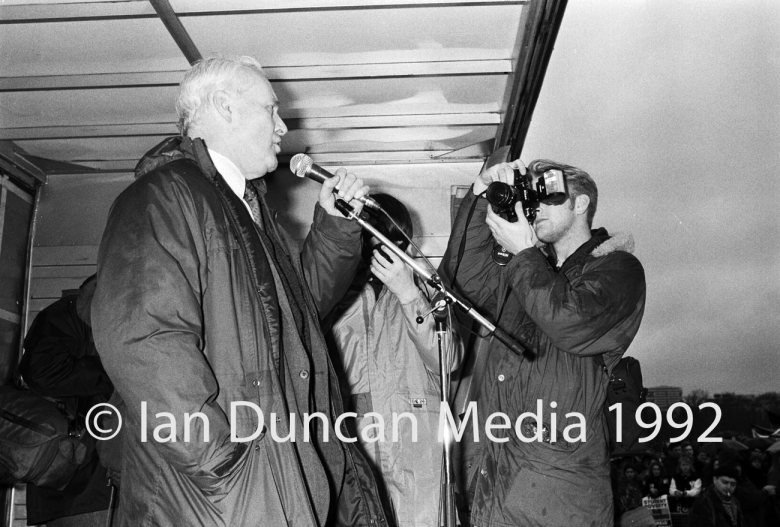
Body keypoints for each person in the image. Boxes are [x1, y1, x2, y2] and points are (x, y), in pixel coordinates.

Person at [91, 56, 388, 526]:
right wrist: (226, 466)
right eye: (270, 109)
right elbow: (143, 342)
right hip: (216, 499)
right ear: (224, 107)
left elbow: (299, 313)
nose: (282, 124)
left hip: (267, 481)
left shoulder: (245, 210)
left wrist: (333, 225)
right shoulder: (164, 196)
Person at [439, 158, 646, 526]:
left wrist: (524, 255)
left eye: (550, 196)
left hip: (559, 493)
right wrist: (480, 195)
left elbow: (571, 322)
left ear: (580, 203)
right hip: (496, 483)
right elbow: (459, 278)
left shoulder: (618, 269)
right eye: (533, 199)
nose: (537, 208)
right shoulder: (526, 269)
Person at [327, 194, 462, 526]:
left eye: (392, 239)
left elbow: (448, 360)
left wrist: (408, 295)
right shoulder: (335, 290)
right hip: (358, 444)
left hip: (416, 449)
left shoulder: (427, 287)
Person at [18, 275, 114, 526]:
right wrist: (113, 371)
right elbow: (42, 371)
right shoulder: (69, 316)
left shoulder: (98, 319)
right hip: (73, 481)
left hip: (88, 476)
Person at [689, 462, 744, 527]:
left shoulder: (735, 501)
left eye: (733, 484)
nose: (729, 487)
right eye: (725, 482)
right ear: (715, 480)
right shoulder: (704, 502)